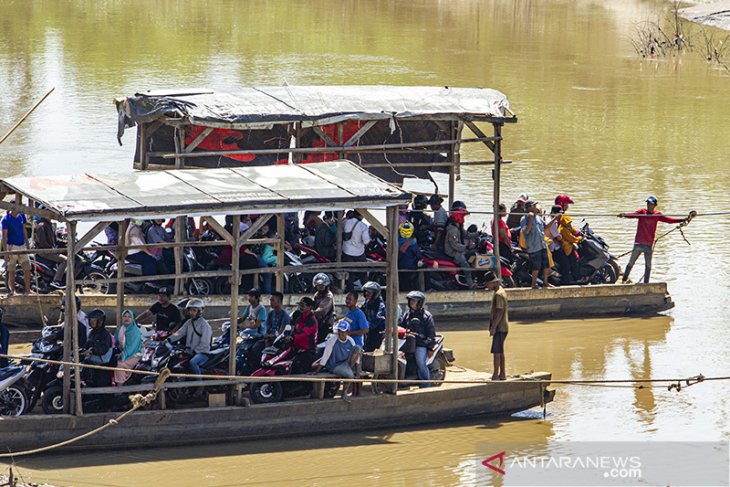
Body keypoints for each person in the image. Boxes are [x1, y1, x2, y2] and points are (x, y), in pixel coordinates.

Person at [619, 196, 692, 283]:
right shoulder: (642, 212)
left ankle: (646, 283)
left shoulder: (657, 215)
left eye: (651, 204)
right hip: (638, 243)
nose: (649, 205)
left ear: (655, 205)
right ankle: (624, 280)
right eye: (648, 203)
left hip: (648, 244)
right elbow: (633, 215)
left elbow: (670, 220)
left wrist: (683, 219)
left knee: (648, 266)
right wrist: (624, 215)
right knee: (631, 263)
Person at [312, 319, 362, 399]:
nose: (341, 334)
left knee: (358, 348)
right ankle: (344, 392)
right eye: (339, 331)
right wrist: (317, 371)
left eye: (343, 332)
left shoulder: (350, 340)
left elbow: (357, 356)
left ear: (347, 332)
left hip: (347, 362)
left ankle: (351, 370)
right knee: (349, 375)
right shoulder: (332, 340)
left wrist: (358, 370)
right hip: (335, 365)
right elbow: (325, 357)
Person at [168, 299, 212, 376]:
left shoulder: (204, 325)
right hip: (189, 351)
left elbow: (205, 343)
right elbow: (179, 333)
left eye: (194, 310)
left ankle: (199, 384)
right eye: (190, 310)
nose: (191, 313)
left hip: (202, 353)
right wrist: (168, 339)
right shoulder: (189, 322)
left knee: (193, 362)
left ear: (199, 311)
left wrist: (195, 351)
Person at [401, 290, 436, 388]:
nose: (412, 302)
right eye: (411, 300)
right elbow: (401, 326)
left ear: (420, 302)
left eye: (414, 300)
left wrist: (430, 348)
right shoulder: (407, 314)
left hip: (421, 344)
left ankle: (426, 384)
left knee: (420, 362)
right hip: (408, 342)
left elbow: (431, 333)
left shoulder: (426, 316)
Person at [520, 200, 551, 289]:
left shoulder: (538, 218)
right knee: (536, 266)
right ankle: (534, 284)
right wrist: (530, 219)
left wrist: (554, 219)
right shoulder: (524, 219)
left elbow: (546, 226)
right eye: (534, 206)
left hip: (542, 244)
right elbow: (526, 230)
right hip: (534, 247)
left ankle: (545, 282)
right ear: (529, 207)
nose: (535, 208)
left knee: (546, 264)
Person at [444, 201, 475, 289]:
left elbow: (466, 234)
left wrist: (478, 234)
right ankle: (471, 285)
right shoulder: (452, 229)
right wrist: (466, 246)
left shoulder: (458, 226)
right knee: (467, 267)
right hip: (453, 252)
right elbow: (455, 245)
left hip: (457, 249)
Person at [32, 216, 68, 288]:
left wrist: (66, 242)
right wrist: (51, 249)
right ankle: (56, 281)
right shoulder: (41, 226)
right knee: (65, 260)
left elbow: (55, 240)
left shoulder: (49, 225)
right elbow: (42, 242)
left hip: (49, 250)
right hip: (44, 251)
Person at [554, 195, 583, 284]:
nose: (567, 206)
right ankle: (576, 278)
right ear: (562, 204)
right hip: (564, 245)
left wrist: (577, 232)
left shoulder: (559, 216)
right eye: (566, 204)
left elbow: (570, 228)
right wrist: (579, 238)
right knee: (574, 260)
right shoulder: (561, 217)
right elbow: (570, 232)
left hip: (561, 242)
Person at [1, 209, 31, 295]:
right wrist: (5, 252)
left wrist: (27, 243)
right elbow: (4, 236)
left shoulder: (21, 216)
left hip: (22, 245)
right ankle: (12, 290)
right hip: (12, 246)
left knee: (27, 268)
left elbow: (24, 230)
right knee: (11, 269)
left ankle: (28, 290)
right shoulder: (6, 219)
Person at [485, 271, 509, 380]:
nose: (487, 286)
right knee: (500, 351)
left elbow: (499, 311)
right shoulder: (501, 291)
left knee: (496, 351)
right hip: (503, 326)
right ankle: (502, 374)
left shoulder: (499, 294)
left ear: (493, 283)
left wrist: (493, 327)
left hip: (500, 327)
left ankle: (495, 374)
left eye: (488, 284)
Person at [342, 210, 370, 291]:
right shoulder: (363, 226)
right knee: (363, 273)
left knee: (350, 274)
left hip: (346, 252)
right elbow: (366, 241)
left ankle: (350, 291)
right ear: (361, 215)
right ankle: (367, 290)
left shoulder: (345, 223)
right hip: (359, 253)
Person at [288, 297, 318, 374]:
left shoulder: (312, 320)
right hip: (297, 350)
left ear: (309, 307)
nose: (301, 307)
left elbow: (304, 333)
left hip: (307, 351)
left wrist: (293, 337)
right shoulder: (299, 319)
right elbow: (294, 331)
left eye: (303, 305)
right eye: (300, 305)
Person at [113, 309, 143, 385]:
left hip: (134, 355)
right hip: (123, 353)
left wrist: (122, 355)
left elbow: (131, 348)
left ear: (132, 318)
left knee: (119, 364)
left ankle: (120, 388)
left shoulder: (134, 331)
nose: (127, 318)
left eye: (129, 317)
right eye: (125, 316)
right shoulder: (121, 329)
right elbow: (115, 341)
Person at [397, 221, 424, 291]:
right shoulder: (413, 243)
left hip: (399, 268)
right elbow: (419, 256)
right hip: (411, 268)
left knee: (402, 285)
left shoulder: (396, 242)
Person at [361, 281, 387, 352]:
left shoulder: (380, 305)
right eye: (366, 291)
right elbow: (361, 312)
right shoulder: (367, 303)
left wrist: (367, 326)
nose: (367, 294)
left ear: (375, 293)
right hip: (368, 333)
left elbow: (378, 318)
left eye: (369, 292)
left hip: (378, 334)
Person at [312, 273, 335, 343]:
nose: (320, 288)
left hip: (326, 326)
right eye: (318, 286)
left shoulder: (328, 296)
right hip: (317, 325)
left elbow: (321, 311)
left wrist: (310, 312)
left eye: (322, 286)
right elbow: (312, 305)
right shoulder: (317, 295)